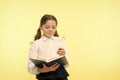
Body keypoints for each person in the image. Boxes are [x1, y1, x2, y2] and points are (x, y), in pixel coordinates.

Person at [27, 14, 70, 80]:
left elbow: (67, 64)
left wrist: (64, 55)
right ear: (41, 27)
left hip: (61, 75)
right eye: (47, 27)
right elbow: (30, 67)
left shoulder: (61, 41)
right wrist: (43, 70)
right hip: (44, 77)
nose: (50, 30)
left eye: (53, 27)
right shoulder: (35, 44)